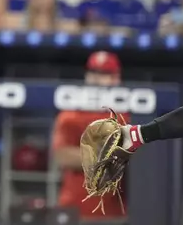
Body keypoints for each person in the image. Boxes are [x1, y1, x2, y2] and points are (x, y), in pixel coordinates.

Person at [51, 51, 128, 219]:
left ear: (116, 78)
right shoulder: (71, 113)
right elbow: (63, 156)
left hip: (116, 211)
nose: (97, 79)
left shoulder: (128, 115)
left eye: (104, 74)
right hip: (76, 208)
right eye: (93, 72)